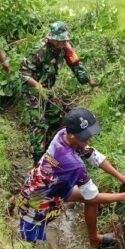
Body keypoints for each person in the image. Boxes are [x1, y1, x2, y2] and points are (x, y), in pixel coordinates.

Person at [17, 107, 125, 248]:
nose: (90, 138)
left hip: (52, 184)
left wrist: (121, 177)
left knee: (89, 199)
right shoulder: (73, 163)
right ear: (73, 135)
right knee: (29, 241)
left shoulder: (63, 134)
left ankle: (94, 239)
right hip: (38, 196)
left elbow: (92, 155)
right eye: (86, 136)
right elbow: (93, 197)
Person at [19, 21, 98, 164]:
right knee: (38, 124)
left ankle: (58, 150)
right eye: (60, 40)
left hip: (48, 89)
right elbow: (23, 72)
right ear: (52, 38)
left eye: (65, 39)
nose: (64, 42)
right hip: (33, 91)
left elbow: (76, 65)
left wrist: (92, 84)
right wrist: (36, 85)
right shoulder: (39, 50)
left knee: (57, 116)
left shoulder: (65, 48)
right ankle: (38, 161)